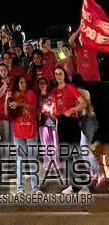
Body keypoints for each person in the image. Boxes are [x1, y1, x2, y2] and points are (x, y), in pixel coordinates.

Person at [50, 65, 87, 194]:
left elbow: (83, 103)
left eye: (60, 73)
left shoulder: (70, 88)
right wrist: (54, 113)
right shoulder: (54, 91)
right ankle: (74, 184)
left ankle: (80, 179)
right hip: (61, 123)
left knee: (74, 152)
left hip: (71, 122)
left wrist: (72, 110)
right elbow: (55, 106)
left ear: (64, 74)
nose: (58, 76)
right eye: (56, 73)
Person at [7, 75, 40, 194]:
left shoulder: (31, 93)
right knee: (20, 160)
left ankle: (35, 187)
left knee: (32, 159)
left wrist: (20, 104)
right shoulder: (14, 95)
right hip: (18, 132)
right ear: (17, 84)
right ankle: (20, 188)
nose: (23, 84)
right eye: (21, 82)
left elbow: (33, 107)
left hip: (31, 130)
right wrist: (9, 100)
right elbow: (9, 111)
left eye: (24, 82)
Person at [71, 73, 104, 188]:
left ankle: (98, 172)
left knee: (84, 147)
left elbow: (83, 108)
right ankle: (93, 173)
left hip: (86, 120)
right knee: (84, 147)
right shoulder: (86, 92)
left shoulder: (76, 92)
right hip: (90, 120)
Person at [36, 77, 58, 173]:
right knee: (45, 143)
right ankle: (47, 163)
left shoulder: (52, 95)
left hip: (52, 121)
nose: (42, 85)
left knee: (54, 144)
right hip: (42, 122)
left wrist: (51, 112)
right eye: (40, 83)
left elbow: (56, 106)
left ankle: (56, 163)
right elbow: (35, 109)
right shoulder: (37, 97)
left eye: (44, 82)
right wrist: (41, 112)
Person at [0, 63, 13, 147]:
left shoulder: (12, 81)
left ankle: (12, 159)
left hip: (11, 112)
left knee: (12, 139)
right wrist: (5, 84)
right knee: (4, 140)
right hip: (1, 114)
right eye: (1, 70)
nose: (4, 72)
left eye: (5, 70)